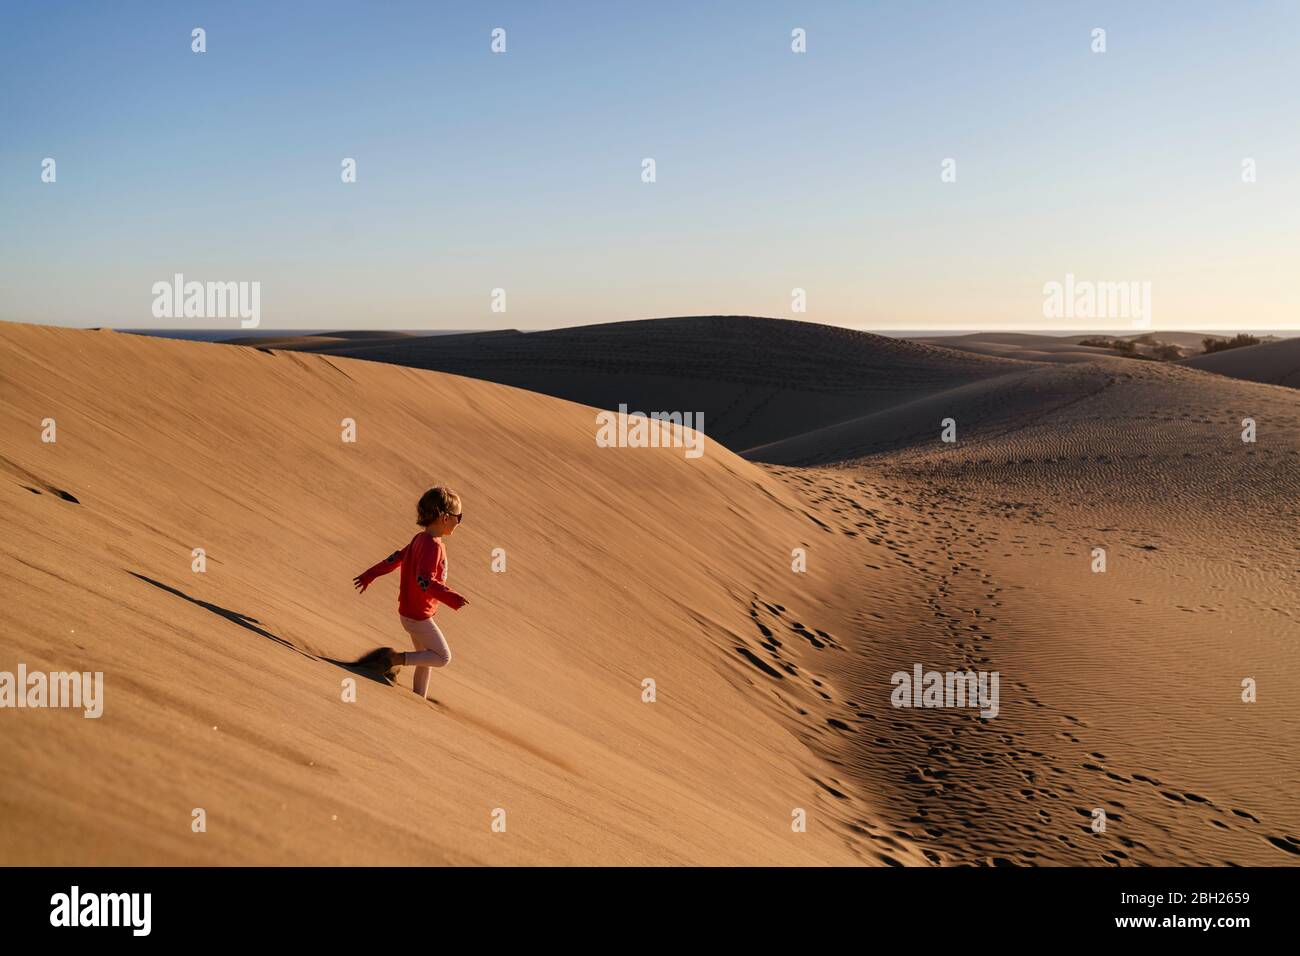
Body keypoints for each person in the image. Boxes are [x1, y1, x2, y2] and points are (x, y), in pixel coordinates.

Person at [351, 486, 469, 697]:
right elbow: (424, 581)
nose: (459, 522)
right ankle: (395, 659)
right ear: (444, 517)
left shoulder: (419, 539)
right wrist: (452, 597)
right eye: (457, 517)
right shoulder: (432, 545)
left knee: (425, 659)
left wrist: (370, 574)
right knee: (442, 657)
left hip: (409, 614)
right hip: (418, 617)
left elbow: (395, 558)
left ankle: (417, 699)